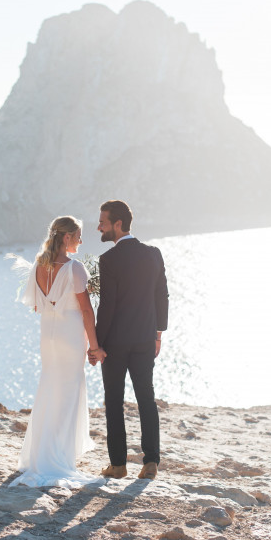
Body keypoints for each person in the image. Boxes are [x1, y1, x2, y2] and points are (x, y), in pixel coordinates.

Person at [10, 216, 103, 488]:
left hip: (48, 336)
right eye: (78, 236)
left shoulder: (39, 265)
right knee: (68, 393)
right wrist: (94, 346)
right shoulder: (74, 268)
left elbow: (36, 305)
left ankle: (41, 454)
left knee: (50, 388)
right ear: (66, 237)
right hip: (70, 335)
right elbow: (87, 311)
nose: (81, 241)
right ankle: (58, 458)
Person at [89, 200, 169, 480]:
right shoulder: (153, 254)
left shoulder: (109, 259)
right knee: (146, 397)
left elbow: (107, 306)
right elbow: (162, 296)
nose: (99, 227)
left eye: (103, 222)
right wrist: (158, 334)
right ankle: (151, 462)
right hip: (145, 338)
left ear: (118, 223)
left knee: (114, 401)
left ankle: (118, 465)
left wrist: (97, 345)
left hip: (115, 343)